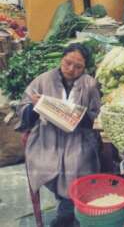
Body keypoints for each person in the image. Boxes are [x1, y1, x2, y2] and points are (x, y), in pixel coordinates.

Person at [15, 43, 101, 227]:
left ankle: (70, 208)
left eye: (78, 67)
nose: (71, 69)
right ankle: (65, 204)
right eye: (67, 63)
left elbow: (95, 118)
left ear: (85, 68)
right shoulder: (43, 81)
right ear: (61, 59)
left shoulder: (90, 84)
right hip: (47, 137)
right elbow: (23, 112)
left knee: (76, 162)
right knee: (45, 162)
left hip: (78, 139)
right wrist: (36, 107)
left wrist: (75, 115)